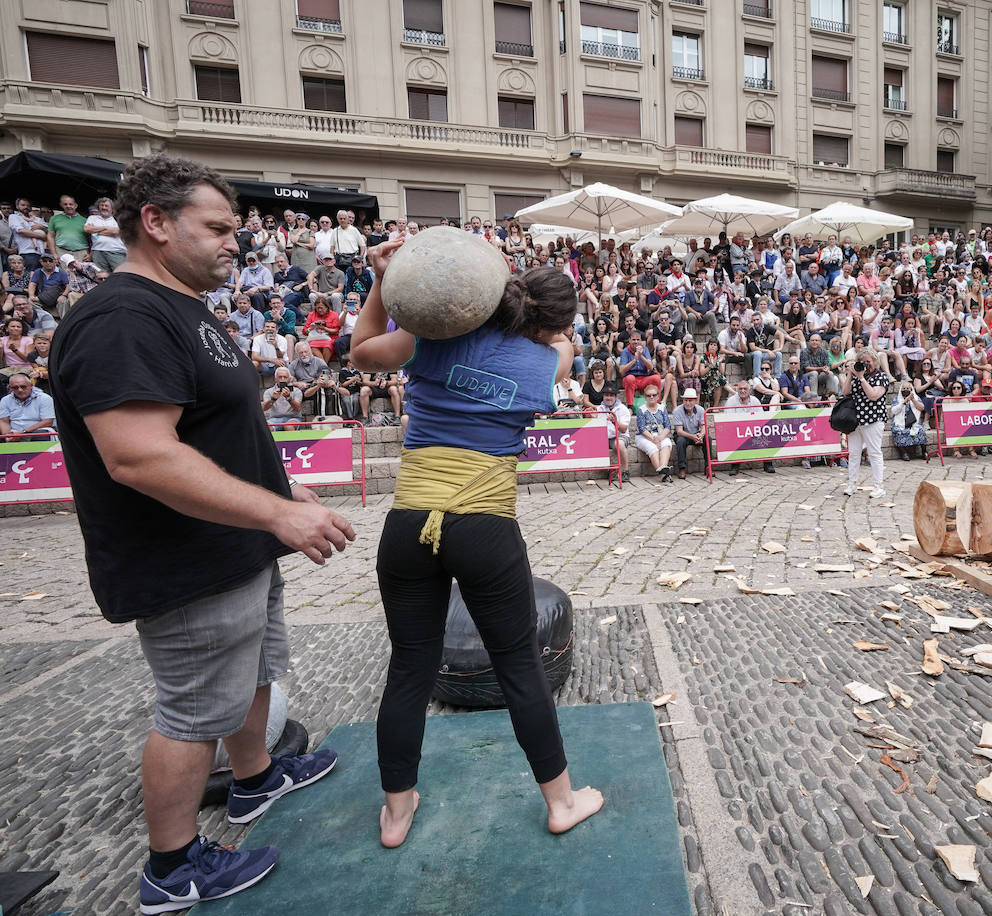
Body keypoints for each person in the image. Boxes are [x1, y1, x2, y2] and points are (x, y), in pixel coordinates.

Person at [49, 155, 353, 913]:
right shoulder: (124, 315)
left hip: (237, 543)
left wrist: (279, 493)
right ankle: (171, 865)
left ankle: (254, 781)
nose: (234, 243)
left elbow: (210, 430)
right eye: (217, 227)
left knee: (252, 672)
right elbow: (139, 454)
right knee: (191, 710)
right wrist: (279, 513)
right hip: (185, 559)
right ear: (155, 222)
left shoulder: (183, 305)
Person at [349, 253, 603, 850]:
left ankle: (395, 810)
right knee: (519, 664)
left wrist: (384, 282)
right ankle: (561, 802)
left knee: (410, 664)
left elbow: (360, 349)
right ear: (555, 325)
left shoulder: (431, 339)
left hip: (407, 523)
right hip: (484, 526)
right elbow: (564, 350)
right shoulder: (548, 361)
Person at [841, 347, 889, 498]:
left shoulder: (881, 376)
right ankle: (852, 484)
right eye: (862, 362)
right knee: (853, 453)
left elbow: (873, 395)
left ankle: (878, 486)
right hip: (856, 420)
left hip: (874, 419)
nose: (866, 365)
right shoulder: (856, 375)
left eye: (868, 362)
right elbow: (845, 392)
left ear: (875, 361)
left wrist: (861, 378)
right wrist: (850, 373)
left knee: (874, 453)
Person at [635, 383, 675, 481]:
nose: (651, 397)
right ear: (645, 397)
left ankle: (663, 471)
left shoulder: (662, 408)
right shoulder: (642, 410)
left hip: (660, 434)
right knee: (652, 448)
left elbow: (667, 426)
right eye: (649, 395)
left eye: (654, 395)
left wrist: (660, 438)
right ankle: (664, 473)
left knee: (666, 443)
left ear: (658, 396)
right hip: (644, 436)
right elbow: (642, 428)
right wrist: (654, 440)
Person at [0, 371, 55, 438]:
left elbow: (48, 422)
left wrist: (23, 433)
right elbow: (4, 421)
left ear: (31, 386)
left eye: (23, 387)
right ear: (10, 388)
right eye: (15, 387)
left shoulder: (44, 398)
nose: (20, 390)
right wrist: (7, 435)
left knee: (41, 434)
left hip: (38, 432)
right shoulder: (5, 400)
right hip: (14, 433)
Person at [671, 387, 707, 478]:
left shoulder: (700, 410)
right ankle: (682, 468)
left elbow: (704, 427)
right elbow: (679, 431)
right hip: (683, 434)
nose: (687, 403)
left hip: (695, 433)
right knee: (680, 441)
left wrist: (701, 435)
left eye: (690, 400)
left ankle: (708, 466)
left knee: (707, 439)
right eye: (685, 400)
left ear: (695, 401)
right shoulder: (677, 411)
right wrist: (693, 437)